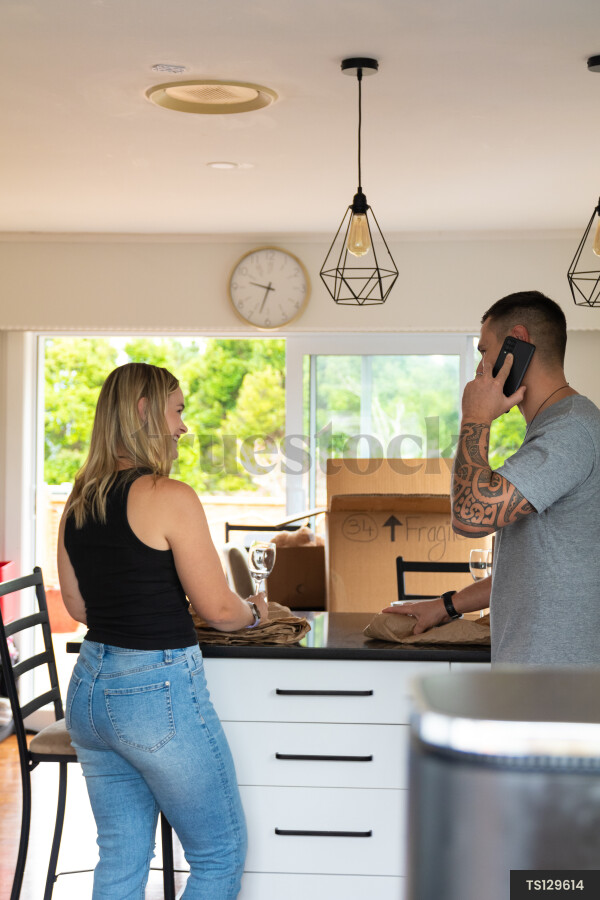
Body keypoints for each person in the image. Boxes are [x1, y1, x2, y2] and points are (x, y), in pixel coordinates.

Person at [57, 362, 268, 899]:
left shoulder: (79, 499)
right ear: (143, 411)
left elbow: (80, 606)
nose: (183, 426)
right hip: (156, 691)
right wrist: (258, 612)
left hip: (89, 689)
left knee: (122, 858)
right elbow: (220, 610)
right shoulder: (169, 495)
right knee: (219, 856)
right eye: (177, 410)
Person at [383, 291, 600, 666]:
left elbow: (471, 516)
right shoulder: (558, 427)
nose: (480, 368)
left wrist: (475, 418)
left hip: (557, 680)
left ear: (517, 341)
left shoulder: (571, 430)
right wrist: (446, 606)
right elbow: (535, 566)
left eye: (484, 351)